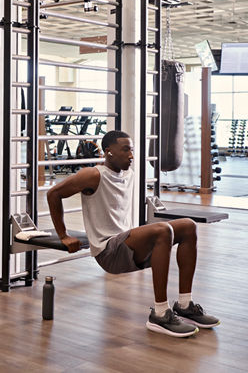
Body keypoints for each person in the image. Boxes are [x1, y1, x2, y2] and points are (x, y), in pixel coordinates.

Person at [47, 130, 219, 337]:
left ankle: (184, 305)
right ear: (108, 152)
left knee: (189, 226)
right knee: (163, 230)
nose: (131, 155)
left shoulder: (129, 174)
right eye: (126, 150)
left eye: (132, 150)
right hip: (108, 251)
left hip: (128, 244)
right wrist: (63, 234)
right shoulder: (93, 175)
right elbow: (53, 194)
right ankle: (160, 313)